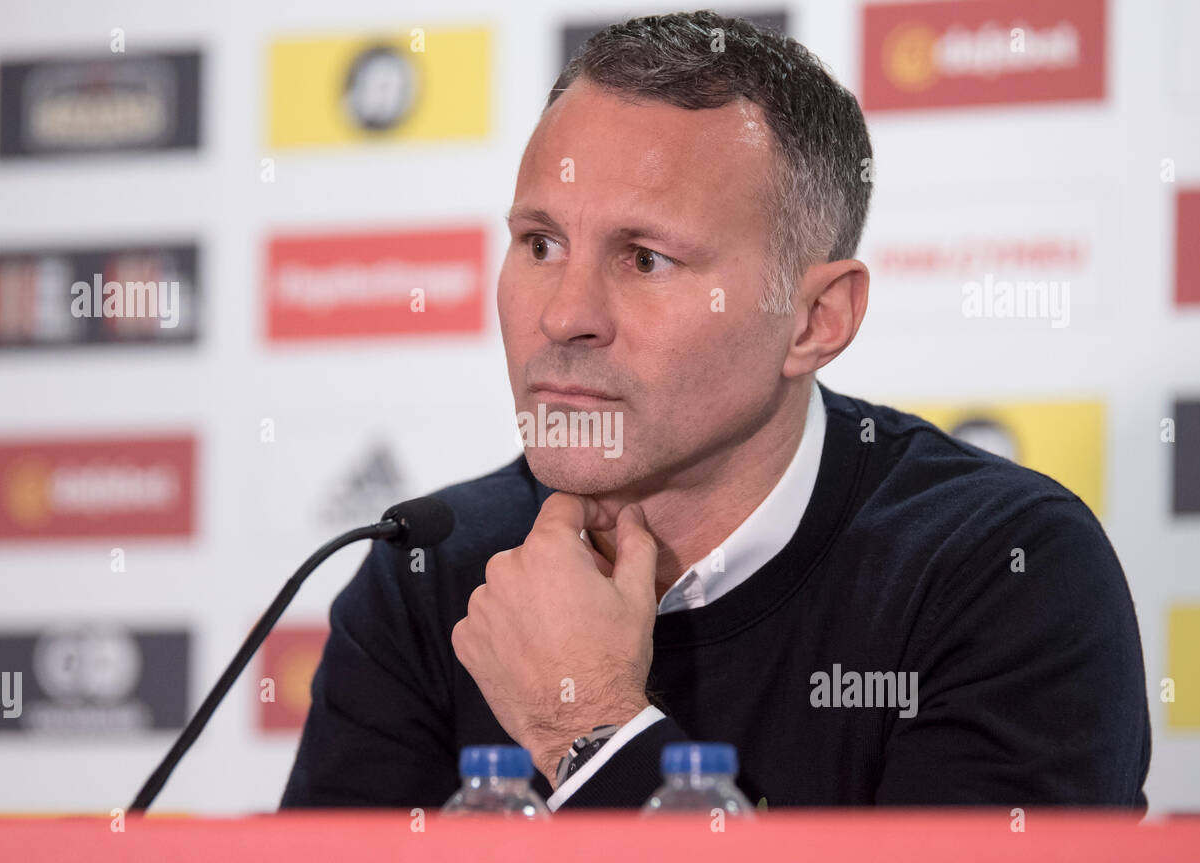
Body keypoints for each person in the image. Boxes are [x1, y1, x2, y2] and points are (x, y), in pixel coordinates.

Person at [280, 11, 1151, 812]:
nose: (562, 314)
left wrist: (586, 730)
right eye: (540, 244)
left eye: (647, 259)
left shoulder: (1005, 573)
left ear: (816, 320)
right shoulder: (429, 569)